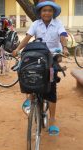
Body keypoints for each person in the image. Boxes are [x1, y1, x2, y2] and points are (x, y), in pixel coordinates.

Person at [12, 0, 69, 136]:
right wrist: (18, 49)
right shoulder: (36, 24)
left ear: (53, 12)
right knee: (26, 70)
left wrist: (65, 48)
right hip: (38, 55)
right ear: (40, 12)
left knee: (51, 87)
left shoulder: (58, 23)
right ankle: (29, 96)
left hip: (52, 56)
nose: (47, 12)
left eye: (49, 10)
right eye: (44, 10)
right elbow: (27, 37)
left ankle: (53, 120)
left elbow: (63, 35)